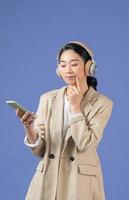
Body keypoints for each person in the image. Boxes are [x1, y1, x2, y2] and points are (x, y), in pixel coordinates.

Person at [16, 41, 114, 200]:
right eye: (63, 65)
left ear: (89, 67)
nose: (67, 70)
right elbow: (40, 151)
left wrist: (75, 108)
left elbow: (85, 144)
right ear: (58, 69)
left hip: (80, 182)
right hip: (47, 179)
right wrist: (29, 128)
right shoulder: (48, 99)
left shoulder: (102, 103)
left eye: (74, 64)